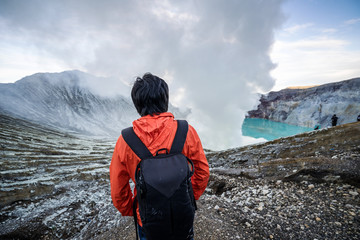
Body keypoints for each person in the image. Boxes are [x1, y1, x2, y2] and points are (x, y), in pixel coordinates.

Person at [110, 73, 209, 239]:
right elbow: (202, 172)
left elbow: (118, 188)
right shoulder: (186, 131)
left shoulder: (126, 140)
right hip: (182, 213)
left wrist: (135, 210)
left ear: (137, 104)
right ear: (165, 99)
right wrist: (189, 198)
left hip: (148, 219)